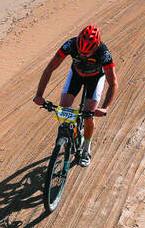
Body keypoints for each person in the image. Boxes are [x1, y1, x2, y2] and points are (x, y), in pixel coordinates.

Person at [33, 25, 118, 167]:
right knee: (64, 109)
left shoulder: (104, 53)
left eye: (87, 53)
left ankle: (86, 149)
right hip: (76, 76)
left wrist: (104, 108)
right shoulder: (70, 45)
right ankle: (68, 136)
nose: (82, 55)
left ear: (96, 47)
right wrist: (39, 95)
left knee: (88, 115)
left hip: (95, 79)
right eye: (80, 51)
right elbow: (49, 68)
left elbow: (113, 83)